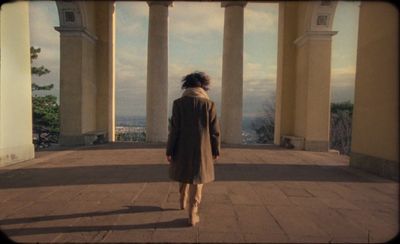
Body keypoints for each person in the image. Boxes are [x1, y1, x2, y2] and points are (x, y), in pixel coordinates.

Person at [166, 71, 221, 226]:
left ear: (186, 86)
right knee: (198, 178)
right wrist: (215, 150)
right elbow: (214, 131)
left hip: (182, 147)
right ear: (203, 86)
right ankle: (193, 211)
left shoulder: (178, 104)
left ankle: (182, 199)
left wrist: (170, 150)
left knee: (184, 172)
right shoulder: (209, 105)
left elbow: (174, 129)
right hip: (202, 149)